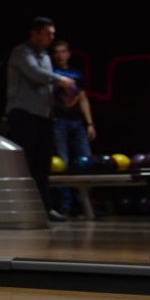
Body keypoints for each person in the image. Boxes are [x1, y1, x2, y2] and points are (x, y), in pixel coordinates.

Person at [5, 16, 75, 223]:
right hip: (23, 115)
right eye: (47, 33)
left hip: (44, 116)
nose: (51, 38)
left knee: (42, 166)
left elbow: (47, 85)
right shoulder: (21, 52)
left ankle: (45, 207)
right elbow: (35, 74)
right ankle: (22, 207)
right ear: (34, 34)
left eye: (53, 34)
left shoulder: (45, 56)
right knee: (25, 163)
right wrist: (61, 79)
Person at [50, 39, 95, 217]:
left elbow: (83, 98)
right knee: (62, 163)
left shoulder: (76, 74)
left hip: (77, 121)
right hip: (58, 121)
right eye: (56, 52)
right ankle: (66, 204)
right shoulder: (51, 73)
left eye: (63, 52)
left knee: (85, 161)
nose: (60, 55)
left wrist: (89, 123)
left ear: (68, 54)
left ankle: (84, 204)